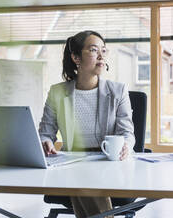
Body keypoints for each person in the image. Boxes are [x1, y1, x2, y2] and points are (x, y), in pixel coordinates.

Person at [38, 30, 135, 218]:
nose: (101, 56)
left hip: (108, 163)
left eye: (104, 51)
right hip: (71, 161)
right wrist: (45, 142)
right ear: (76, 57)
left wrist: (125, 145)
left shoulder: (118, 91)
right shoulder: (57, 92)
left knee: (84, 179)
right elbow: (45, 132)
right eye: (93, 50)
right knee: (82, 175)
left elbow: (127, 133)